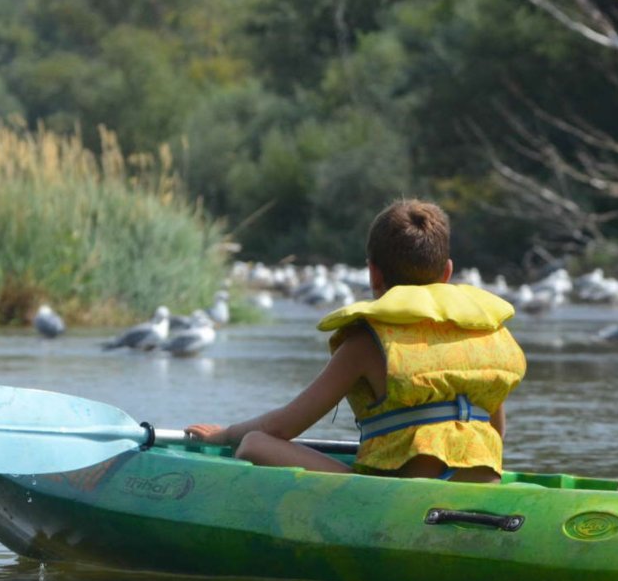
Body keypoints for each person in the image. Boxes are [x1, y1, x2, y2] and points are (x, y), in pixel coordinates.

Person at [186, 199, 526, 480]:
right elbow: (496, 432)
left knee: (254, 443)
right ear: (448, 272)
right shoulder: (481, 332)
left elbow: (281, 426)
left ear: (373, 273)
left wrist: (224, 434)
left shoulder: (366, 342)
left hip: (404, 494)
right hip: (481, 484)